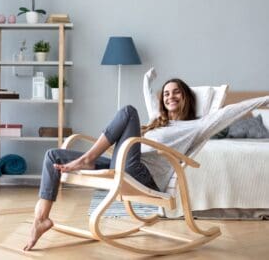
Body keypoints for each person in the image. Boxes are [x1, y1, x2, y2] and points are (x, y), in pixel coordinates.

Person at [24, 68, 269, 251]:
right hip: (124, 165)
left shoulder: (198, 125)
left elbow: (230, 112)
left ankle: (89, 157)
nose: (170, 97)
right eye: (166, 94)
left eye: (176, 93)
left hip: (143, 176)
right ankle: (41, 219)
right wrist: (146, 80)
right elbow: (149, 97)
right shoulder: (157, 121)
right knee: (52, 155)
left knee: (128, 111)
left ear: (186, 97)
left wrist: (265, 99)